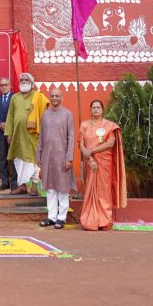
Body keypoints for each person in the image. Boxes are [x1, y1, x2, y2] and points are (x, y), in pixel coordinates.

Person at [79, 99, 128, 231]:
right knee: (90, 190)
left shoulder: (109, 126)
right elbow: (81, 144)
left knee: (103, 191)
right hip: (90, 163)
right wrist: (89, 156)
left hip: (104, 163)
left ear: (102, 110)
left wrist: (92, 151)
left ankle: (104, 220)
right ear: (90, 110)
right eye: (93, 107)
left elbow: (110, 143)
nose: (95, 109)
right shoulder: (84, 125)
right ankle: (90, 220)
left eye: (98, 107)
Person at [4, 72, 50, 196]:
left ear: (32, 83)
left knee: (33, 161)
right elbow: (10, 116)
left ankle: (34, 187)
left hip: (33, 135)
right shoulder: (15, 97)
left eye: (26, 80)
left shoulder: (38, 96)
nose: (23, 81)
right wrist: (9, 134)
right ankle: (22, 186)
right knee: (19, 161)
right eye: (21, 80)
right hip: (18, 136)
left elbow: (45, 113)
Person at [36, 89, 76, 228]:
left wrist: (69, 158)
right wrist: (39, 155)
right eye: (52, 96)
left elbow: (71, 137)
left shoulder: (67, 114)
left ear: (62, 98)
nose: (54, 98)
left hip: (62, 157)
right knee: (50, 188)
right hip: (47, 157)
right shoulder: (45, 115)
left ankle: (62, 218)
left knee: (62, 188)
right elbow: (40, 137)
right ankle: (51, 217)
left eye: (57, 96)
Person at [0, 77, 17, 191]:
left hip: (13, 133)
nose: (4, 87)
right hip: (0, 133)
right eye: (1, 85)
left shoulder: (16, 98)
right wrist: (1, 124)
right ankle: (5, 182)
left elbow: (18, 114)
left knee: (14, 159)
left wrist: (8, 124)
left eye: (6, 84)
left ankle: (14, 183)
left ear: (10, 85)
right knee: (2, 159)